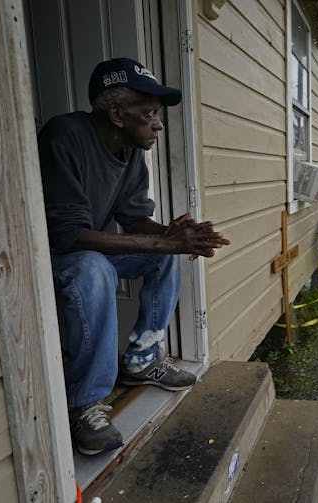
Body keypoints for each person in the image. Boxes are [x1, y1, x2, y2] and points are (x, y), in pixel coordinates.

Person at [38, 58, 230, 455]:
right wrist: (164, 242)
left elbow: (134, 218)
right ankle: (85, 402)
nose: (157, 124)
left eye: (156, 114)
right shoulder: (65, 136)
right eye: (148, 114)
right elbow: (69, 236)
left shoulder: (130, 152)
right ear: (116, 114)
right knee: (94, 268)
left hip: (86, 249)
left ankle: (141, 358)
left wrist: (175, 237)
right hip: (50, 256)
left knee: (162, 257)